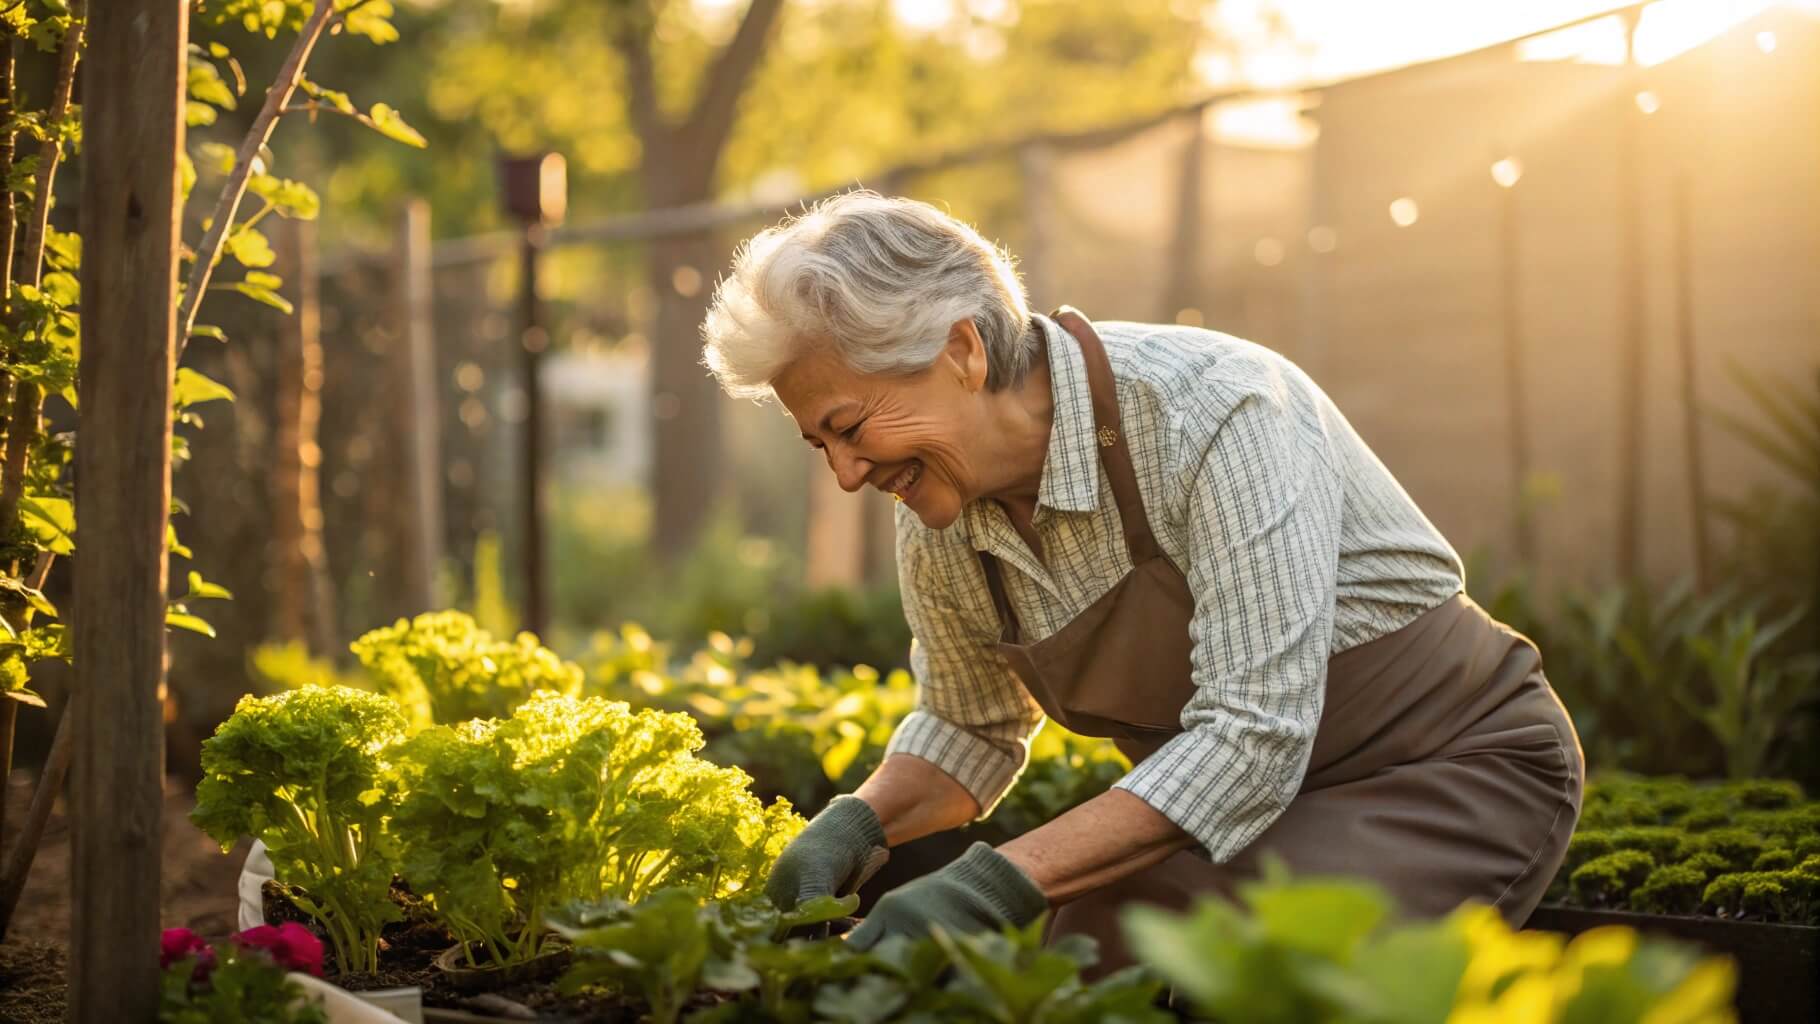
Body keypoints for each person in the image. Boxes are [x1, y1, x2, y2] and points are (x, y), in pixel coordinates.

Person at [699, 191, 1582, 965]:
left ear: (962, 350)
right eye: (822, 445)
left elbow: (1250, 736)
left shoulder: (1215, 411)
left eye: (853, 426)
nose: (848, 474)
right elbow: (969, 725)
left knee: (1262, 975)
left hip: (1439, 769)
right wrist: (857, 824)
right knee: (1086, 950)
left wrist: (989, 884)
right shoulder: (940, 512)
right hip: (1240, 806)